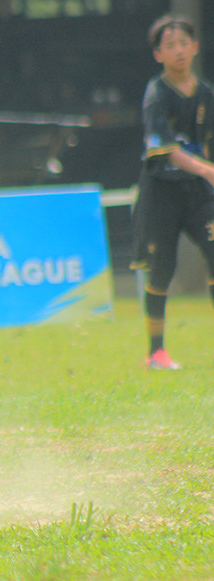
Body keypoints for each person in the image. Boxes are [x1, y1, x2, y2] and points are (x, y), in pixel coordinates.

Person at [130, 15, 214, 370]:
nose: (178, 51)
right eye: (170, 45)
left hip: (197, 192)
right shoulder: (156, 95)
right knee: (161, 270)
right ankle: (156, 352)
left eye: (184, 43)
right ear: (157, 54)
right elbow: (165, 150)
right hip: (161, 191)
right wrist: (206, 169)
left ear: (195, 48)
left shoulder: (206, 94)